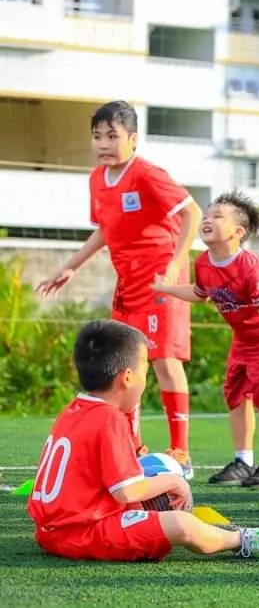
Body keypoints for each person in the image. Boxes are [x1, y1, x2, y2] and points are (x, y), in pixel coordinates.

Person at [27, 319, 259, 563]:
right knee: (181, 524)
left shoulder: (73, 409)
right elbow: (127, 492)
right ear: (127, 377)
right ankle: (239, 539)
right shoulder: (108, 418)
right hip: (86, 534)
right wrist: (175, 482)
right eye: (145, 371)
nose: (146, 380)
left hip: (49, 533)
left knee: (150, 468)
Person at [36, 101, 201, 477]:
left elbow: (192, 213)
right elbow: (105, 230)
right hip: (127, 285)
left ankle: (181, 452)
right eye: (98, 136)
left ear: (133, 139)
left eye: (113, 136)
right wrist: (70, 268)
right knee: (124, 363)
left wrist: (176, 262)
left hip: (161, 284)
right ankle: (133, 447)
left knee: (164, 361)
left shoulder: (146, 173)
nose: (104, 143)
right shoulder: (97, 179)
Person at [152, 192, 259, 488]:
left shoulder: (252, 270)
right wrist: (166, 289)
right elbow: (200, 293)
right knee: (235, 394)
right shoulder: (205, 262)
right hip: (244, 337)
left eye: (218, 216)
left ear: (238, 232)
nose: (207, 219)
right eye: (207, 215)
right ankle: (243, 461)